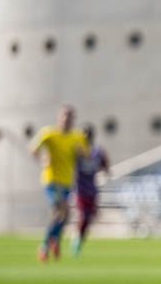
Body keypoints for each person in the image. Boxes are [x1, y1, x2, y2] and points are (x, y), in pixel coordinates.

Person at [28, 105, 88, 263]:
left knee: (64, 216)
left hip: (67, 182)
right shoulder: (49, 134)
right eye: (64, 116)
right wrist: (42, 159)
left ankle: (54, 241)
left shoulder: (77, 137)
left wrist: (80, 154)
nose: (67, 119)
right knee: (61, 211)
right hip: (51, 181)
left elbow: (85, 156)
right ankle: (45, 246)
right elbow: (33, 149)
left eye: (70, 116)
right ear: (59, 118)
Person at [71, 125, 110, 255]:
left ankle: (79, 238)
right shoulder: (78, 151)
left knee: (89, 217)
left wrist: (106, 172)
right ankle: (76, 240)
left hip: (92, 190)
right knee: (83, 215)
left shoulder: (98, 152)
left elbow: (105, 164)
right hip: (80, 189)